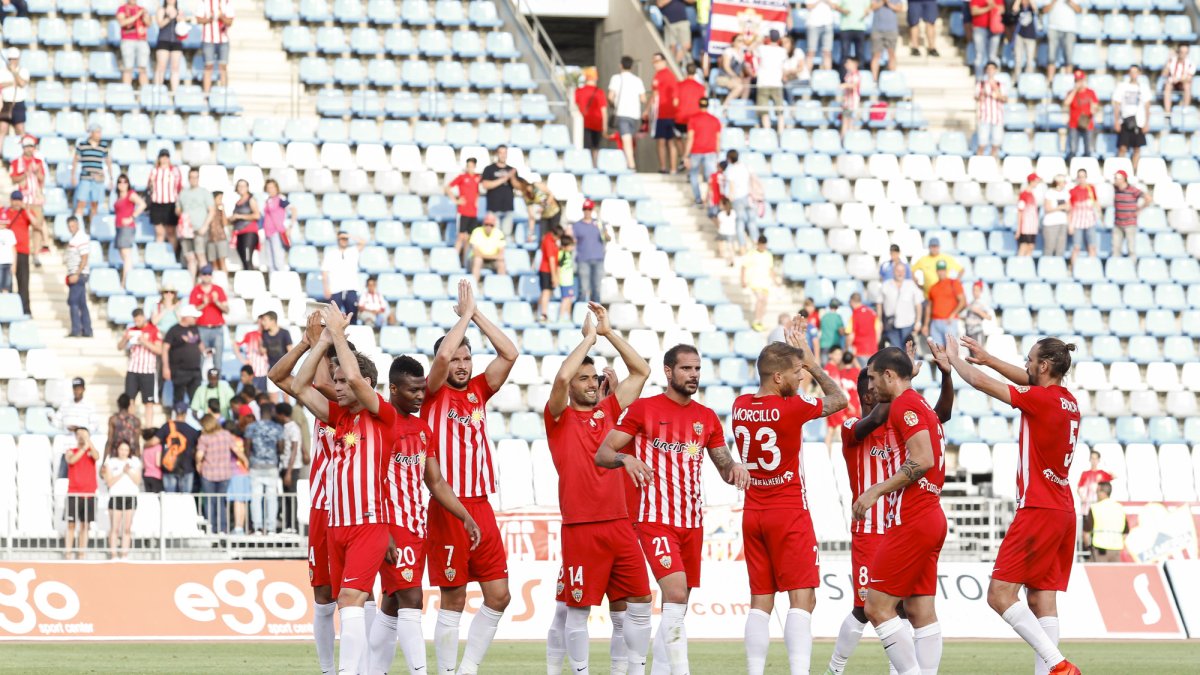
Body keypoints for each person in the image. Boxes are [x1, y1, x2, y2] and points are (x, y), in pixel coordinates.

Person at [595, 344, 749, 675]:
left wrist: (734, 468)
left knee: (677, 607)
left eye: (697, 369)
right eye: (686, 369)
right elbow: (603, 453)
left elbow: (723, 465)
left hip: (692, 522)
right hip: (654, 519)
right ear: (668, 371)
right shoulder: (643, 409)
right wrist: (626, 458)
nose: (693, 375)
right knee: (676, 593)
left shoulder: (706, 417)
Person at [944, 335, 1083, 675]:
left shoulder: (1040, 400)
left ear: (1044, 366)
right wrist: (989, 358)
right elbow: (1028, 380)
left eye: (1030, 360)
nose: (1026, 365)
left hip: (1038, 508)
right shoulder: (1068, 401)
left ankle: (1059, 665)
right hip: (1063, 509)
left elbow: (979, 382)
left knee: (1000, 595)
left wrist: (953, 360)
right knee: (1041, 599)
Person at [828, 341, 954, 675]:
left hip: (909, 516)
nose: (869, 386)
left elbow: (923, 459)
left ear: (887, 375)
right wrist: (911, 374)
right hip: (930, 515)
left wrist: (875, 491)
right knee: (919, 610)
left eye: (873, 378)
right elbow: (938, 418)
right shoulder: (917, 404)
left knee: (875, 608)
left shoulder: (904, 405)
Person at [542, 304, 653, 674]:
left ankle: (630, 670)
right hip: (581, 527)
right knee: (578, 610)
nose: (591, 383)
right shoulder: (558, 418)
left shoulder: (609, 410)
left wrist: (608, 334)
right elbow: (561, 378)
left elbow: (642, 371)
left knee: (639, 602)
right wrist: (588, 339)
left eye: (594, 378)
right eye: (584, 378)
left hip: (620, 523)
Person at [288, 307, 396, 675]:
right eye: (335, 382)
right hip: (336, 525)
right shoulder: (338, 417)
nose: (337, 387)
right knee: (343, 603)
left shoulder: (384, 415)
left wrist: (336, 334)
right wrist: (319, 343)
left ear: (365, 384)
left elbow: (353, 375)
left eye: (343, 382)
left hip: (368, 523)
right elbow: (299, 386)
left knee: (350, 598)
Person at [419, 279, 517, 675]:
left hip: (482, 505)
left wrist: (475, 315)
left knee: (499, 595)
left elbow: (510, 353)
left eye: (467, 358)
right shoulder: (432, 392)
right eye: (456, 359)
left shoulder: (479, 390)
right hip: (448, 506)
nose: (461, 365)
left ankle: (467, 668)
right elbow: (442, 356)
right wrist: (462, 319)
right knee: (454, 599)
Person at [738, 328, 848, 675]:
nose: (801, 379)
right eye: (796, 373)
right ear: (777, 377)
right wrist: (814, 364)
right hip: (787, 512)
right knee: (803, 599)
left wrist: (794, 357)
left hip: (753, 512)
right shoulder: (792, 407)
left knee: (760, 601)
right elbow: (840, 399)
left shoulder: (740, 406)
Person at [370, 356, 482, 675]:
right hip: (391, 524)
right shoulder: (381, 424)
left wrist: (464, 516)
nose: (420, 396)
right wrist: (381, 529)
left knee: (392, 603)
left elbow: (435, 482)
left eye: (422, 390)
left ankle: (369, 669)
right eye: (413, 390)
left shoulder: (422, 429)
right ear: (393, 389)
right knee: (412, 598)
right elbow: (370, 480)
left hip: (416, 526)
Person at [268, 317, 340, 673]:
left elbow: (321, 382)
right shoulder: (319, 401)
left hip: (357, 510)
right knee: (324, 597)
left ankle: (366, 667)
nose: (335, 383)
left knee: (359, 595)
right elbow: (277, 376)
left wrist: (321, 342)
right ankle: (328, 669)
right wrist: (304, 344)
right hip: (323, 508)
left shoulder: (357, 401)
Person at [245, 401, 283, 535]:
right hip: (271, 465)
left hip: (256, 465)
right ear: (272, 412)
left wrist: (249, 459)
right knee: (271, 497)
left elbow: (247, 446)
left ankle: (257, 527)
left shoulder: (251, 427)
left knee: (256, 497)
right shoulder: (278, 427)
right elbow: (281, 447)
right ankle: (271, 527)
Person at [120, 308, 162, 425]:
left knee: (148, 402)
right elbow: (120, 347)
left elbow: (159, 350)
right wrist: (125, 338)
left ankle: (148, 426)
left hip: (148, 370)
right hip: (133, 369)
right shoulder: (131, 330)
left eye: (139, 320)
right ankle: (131, 425)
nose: (137, 323)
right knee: (130, 400)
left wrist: (145, 342)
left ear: (143, 317)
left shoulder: (153, 330)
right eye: (135, 321)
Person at [195, 412, 236, 533]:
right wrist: (245, 460)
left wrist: (198, 463)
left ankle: (210, 528)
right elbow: (236, 450)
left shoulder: (204, 438)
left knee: (209, 502)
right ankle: (222, 528)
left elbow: (199, 455)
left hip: (208, 473)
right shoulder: (226, 434)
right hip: (224, 473)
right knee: (221, 502)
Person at [101, 439, 141, 559]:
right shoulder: (111, 462)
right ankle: (113, 554)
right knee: (115, 527)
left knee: (127, 528)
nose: (123, 452)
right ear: (117, 450)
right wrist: (122, 472)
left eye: (126, 450)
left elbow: (137, 481)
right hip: (116, 497)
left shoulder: (134, 462)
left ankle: (124, 553)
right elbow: (109, 482)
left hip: (130, 497)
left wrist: (128, 472)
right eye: (121, 449)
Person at [10, 136, 46, 268]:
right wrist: (26, 173)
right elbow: (14, 179)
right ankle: (19, 252)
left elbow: (42, 179)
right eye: (27, 146)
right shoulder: (16, 162)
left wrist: (36, 172)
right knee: (20, 227)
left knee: (37, 226)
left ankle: (35, 254)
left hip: (35, 200)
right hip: (22, 201)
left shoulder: (38, 162)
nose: (29, 149)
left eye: (31, 146)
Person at [64, 427, 99, 560]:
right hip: (74, 493)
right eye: (78, 434)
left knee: (85, 525)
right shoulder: (71, 451)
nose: (81, 437)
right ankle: (68, 553)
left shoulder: (92, 451)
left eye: (83, 434)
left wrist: (88, 443)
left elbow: (97, 456)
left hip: (89, 494)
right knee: (71, 524)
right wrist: (83, 448)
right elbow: (71, 460)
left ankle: (81, 553)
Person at [608, 55, 647, 171]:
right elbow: (643, 99)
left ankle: (631, 164)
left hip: (622, 113)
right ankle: (628, 162)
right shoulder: (637, 80)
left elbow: (610, 96)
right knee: (630, 140)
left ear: (621, 65)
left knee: (626, 139)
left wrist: (613, 105)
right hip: (635, 115)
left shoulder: (616, 78)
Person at [162, 305, 205, 406]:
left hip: (195, 370)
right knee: (179, 398)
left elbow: (199, 342)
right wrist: (166, 367)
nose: (196, 319)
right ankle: (178, 414)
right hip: (179, 370)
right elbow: (165, 349)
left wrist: (205, 352)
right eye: (193, 317)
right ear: (186, 317)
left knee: (195, 400)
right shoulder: (174, 330)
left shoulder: (194, 328)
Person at [683, 96, 721, 207]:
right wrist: (718, 154)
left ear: (699, 105)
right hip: (711, 152)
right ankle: (711, 201)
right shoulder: (715, 120)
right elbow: (718, 139)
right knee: (711, 178)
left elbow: (690, 138)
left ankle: (698, 200)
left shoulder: (693, 119)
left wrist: (686, 155)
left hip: (696, 151)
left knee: (694, 175)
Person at [1113, 65, 1152, 171]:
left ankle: (1134, 170)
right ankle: (1120, 171)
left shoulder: (1143, 87)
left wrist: (1147, 123)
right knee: (1122, 147)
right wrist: (1116, 121)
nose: (1133, 74)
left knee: (1137, 148)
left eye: (1135, 72)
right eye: (1131, 72)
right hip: (1125, 120)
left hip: (1139, 121)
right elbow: (1117, 105)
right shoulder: (1122, 86)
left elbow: (1147, 106)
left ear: (1139, 73)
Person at [71, 123, 112, 223]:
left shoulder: (103, 145)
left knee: (95, 205)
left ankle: (93, 227)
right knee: (81, 203)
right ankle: (79, 227)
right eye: (97, 132)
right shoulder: (82, 145)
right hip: (85, 178)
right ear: (91, 133)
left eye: (100, 132)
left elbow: (108, 162)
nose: (99, 134)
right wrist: (73, 176)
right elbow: (75, 160)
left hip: (98, 179)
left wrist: (111, 178)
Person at [321, 228, 365, 320]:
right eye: (342, 238)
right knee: (333, 317)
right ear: (338, 239)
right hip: (335, 289)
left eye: (346, 239)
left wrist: (349, 236)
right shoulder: (330, 254)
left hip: (351, 288)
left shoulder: (353, 251)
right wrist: (326, 288)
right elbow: (324, 272)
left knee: (352, 316)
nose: (344, 240)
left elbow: (363, 242)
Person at [112, 172, 146, 289]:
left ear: (128, 184)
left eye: (125, 182)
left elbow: (142, 204)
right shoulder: (119, 196)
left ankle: (125, 281)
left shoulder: (130, 194)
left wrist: (132, 217)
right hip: (119, 227)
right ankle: (127, 279)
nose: (122, 184)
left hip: (127, 227)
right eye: (120, 182)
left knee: (126, 255)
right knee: (123, 255)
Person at [878, 263, 924, 351]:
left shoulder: (911, 285)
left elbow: (918, 304)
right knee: (895, 351)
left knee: (910, 351)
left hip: (908, 324)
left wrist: (918, 321)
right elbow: (879, 303)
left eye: (902, 271)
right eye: (898, 271)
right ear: (893, 272)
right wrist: (879, 320)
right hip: (891, 324)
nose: (900, 273)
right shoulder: (886, 285)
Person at [189, 264, 227, 368]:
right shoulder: (195, 290)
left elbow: (227, 310)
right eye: (205, 274)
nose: (207, 276)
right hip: (201, 328)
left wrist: (217, 302)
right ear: (200, 275)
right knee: (200, 358)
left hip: (217, 329)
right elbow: (191, 311)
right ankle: (199, 378)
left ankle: (217, 378)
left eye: (209, 274)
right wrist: (203, 304)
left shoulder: (218, 290)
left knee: (218, 360)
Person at [923, 260, 966, 349]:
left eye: (943, 270)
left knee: (951, 350)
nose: (941, 272)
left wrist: (953, 314)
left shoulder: (954, 283)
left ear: (946, 271)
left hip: (949, 321)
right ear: (936, 271)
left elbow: (963, 301)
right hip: (935, 322)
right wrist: (926, 324)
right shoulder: (933, 287)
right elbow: (929, 307)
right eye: (939, 270)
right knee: (938, 350)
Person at [723, 149, 760, 251]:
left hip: (738, 198)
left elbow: (731, 186)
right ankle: (756, 243)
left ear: (729, 158)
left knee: (739, 223)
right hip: (749, 197)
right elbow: (754, 178)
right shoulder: (746, 166)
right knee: (752, 221)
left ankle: (742, 247)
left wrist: (729, 199)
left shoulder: (730, 169)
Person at [157, 402, 199, 493]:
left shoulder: (166, 427)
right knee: (185, 498)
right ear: (186, 414)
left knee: (170, 497)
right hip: (187, 468)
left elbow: (154, 441)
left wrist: (146, 445)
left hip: (169, 466)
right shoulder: (192, 430)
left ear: (175, 413)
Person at [447, 158, 482, 266]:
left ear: (475, 166)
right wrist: (455, 200)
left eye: (472, 166)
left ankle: (464, 263)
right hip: (463, 212)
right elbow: (447, 187)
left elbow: (478, 191)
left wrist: (477, 200)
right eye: (468, 166)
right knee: (461, 237)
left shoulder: (478, 178)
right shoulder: (462, 177)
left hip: (473, 212)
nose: (470, 168)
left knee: (469, 239)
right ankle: (453, 262)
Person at [650, 52, 681, 173]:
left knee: (666, 141)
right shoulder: (660, 75)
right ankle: (667, 168)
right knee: (666, 141)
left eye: (657, 61)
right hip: (663, 114)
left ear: (664, 61)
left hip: (664, 114)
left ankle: (669, 168)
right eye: (654, 61)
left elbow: (674, 96)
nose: (655, 64)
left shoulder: (666, 75)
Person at [479, 145, 519, 238]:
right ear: (497, 154)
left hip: (508, 208)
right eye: (501, 153)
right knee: (494, 236)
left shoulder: (512, 170)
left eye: (505, 153)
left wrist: (512, 177)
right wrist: (504, 178)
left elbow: (517, 186)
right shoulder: (489, 169)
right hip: (493, 208)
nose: (503, 155)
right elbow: (485, 185)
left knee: (506, 235)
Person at [572, 199, 606, 304]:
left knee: (596, 289)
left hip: (598, 259)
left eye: (589, 209)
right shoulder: (577, 226)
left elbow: (606, 238)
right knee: (583, 288)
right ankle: (580, 310)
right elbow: (572, 242)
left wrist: (605, 233)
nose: (587, 211)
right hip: (583, 259)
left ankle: (595, 311)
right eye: (585, 209)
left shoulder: (599, 224)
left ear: (592, 210)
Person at [741, 235, 778, 332]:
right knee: (760, 298)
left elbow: (770, 269)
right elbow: (744, 267)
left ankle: (760, 321)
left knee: (764, 301)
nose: (762, 247)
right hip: (754, 281)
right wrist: (743, 280)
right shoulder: (751, 254)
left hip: (765, 282)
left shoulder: (768, 255)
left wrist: (775, 281)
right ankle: (756, 320)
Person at [1085, 482, 1127, 564]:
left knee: (1098, 572)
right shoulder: (1120, 508)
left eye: (1097, 491)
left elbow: (1086, 533)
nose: (1096, 494)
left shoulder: (1095, 508)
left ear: (1102, 492)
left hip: (1099, 550)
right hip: (1116, 550)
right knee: (1115, 572)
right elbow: (1125, 533)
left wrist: (1088, 547)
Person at [197, 0, 234, 93]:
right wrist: (210, 18)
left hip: (223, 39)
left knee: (223, 67)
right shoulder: (204, 2)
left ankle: (224, 93)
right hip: (208, 39)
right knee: (208, 66)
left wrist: (221, 17)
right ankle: (206, 95)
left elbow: (230, 22)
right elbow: (198, 19)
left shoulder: (227, 2)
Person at [1112, 169, 1150, 258]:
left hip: (1130, 223)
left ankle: (1132, 265)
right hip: (1118, 223)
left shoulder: (1132, 190)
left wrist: (1139, 209)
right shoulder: (1116, 189)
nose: (1115, 180)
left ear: (1123, 179)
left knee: (1131, 248)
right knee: (1115, 249)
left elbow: (1148, 198)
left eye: (1117, 178)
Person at [147, 149, 182, 245]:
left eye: (166, 157)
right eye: (162, 157)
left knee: (171, 231)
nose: (164, 159)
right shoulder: (154, 171)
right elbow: (149, 187)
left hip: (170, 204)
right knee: (159, 232)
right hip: (156, 203)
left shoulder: (174, 171)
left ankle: (173, 252)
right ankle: (160, 252)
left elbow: (179, 187)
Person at [1040, 0, 1080, 82]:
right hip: (1053, 27)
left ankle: (1068, 81)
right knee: (1051, 56)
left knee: (1068, 56)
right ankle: (1050, 81)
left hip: (1069, 28)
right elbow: (1044, 10)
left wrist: (1070, 1)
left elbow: (1079, 10)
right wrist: (1054, 1)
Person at [755, 31, 788, 132]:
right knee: (780, 112)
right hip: (776, 83)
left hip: (763, 83)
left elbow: (752, 48)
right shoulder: (782, 51)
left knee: (764, 111)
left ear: (769, 38)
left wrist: (761, 38)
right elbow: (784, 68)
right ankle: (780, 133)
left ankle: (767, 132)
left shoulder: (762, 48)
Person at [65, 215, 92, 338]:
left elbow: (84, 258)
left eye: (73, 225)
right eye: (69, 226)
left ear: (77, 225)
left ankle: (76, 330)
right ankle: (87, 330)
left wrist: (76, 274)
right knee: (81, 303)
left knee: (73, 302)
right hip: (76, 273)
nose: (71, 228)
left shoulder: (80, 238)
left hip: (78, 274)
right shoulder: (76, 238)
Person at [574, 67, 607, 166]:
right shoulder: (600, 92)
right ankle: (594, 165)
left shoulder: (578, 91)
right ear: (596, 78)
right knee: (595, 147)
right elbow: (604, 111)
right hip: (598, 123)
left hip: (584, 123)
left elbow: (575, 107)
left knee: (585, 147)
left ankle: (585, 165)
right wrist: (605, 127)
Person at [260, 178, 294, 272]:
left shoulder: (280, 199)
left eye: (272, 187)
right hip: (267, 233)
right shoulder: (267, 200)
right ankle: (272, 280)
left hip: (277, 232)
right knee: (270, 261)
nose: (270, 190)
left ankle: (281, 279)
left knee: (278, 260)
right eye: (268, 188)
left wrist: (290, 226)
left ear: (276, 188)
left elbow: (293, 210)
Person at [1064, 70, 1098, 161]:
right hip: (1074, 125)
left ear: (1083, 80)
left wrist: (1093, 108)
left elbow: (1095, 106)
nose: (1078, 82)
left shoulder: (1090, 92)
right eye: (1077, 80)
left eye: (1080, 80)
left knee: (1088, 151)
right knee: (1073, 150)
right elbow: (1066, 103)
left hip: (1087, 125)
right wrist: (1075, 90)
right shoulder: (1071, 92)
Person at [1067, 168, 1098, 268]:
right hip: (1077, 223)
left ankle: (1092, 267)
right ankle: (1073, 268)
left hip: (1090, 222)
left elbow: (1096, 203)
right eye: (1079, 177)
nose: (1081, 179)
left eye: (1083, 177)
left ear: (1086, 177)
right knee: (1076, 247)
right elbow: (1070, 209)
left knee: (1092, 247)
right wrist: (1070, 225)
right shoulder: (1073, 191)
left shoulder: (1091, 189)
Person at [116, 0, 151, 86]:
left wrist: (145, 16)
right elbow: (122, 22)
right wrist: (137, 15)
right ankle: (126, 90)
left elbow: (149, 24)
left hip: (142, 40)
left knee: (143, 68)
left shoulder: (141, 9)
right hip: (128, 40)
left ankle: (145, 90)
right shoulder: (122, 9)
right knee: (128, 68)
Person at [976, 61, 1006, 158]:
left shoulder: (1000, 84)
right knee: (982, 143)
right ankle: (978, 163)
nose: (990, 71)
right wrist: (983, 93)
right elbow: (977, 98)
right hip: (984, 116)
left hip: (997, 117)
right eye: (988, 69)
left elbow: (1004, 99)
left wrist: (995, 90)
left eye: (992, 69)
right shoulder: (981, 84)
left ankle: (992, 163)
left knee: (995, 144)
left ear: (995, 70)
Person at [153, 0, 185, 91]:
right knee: (161, 67)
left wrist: (180, 19)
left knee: (175, 68)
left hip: (176, 41)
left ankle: (175, 92)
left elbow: (182, 26)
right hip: (164, 41)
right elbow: (160, 24)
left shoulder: (179, 11)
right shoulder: (161, 10)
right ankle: (158, 90)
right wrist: (169, 18)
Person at [229, 179, 260, 269]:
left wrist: (239, 216)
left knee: (247, 259)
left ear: (247, 188)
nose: (241, 188)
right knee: (243, 260)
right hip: (239, 233)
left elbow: (257, 215)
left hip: (249, 232)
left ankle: (251, 275)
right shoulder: (238, 202)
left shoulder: (251, 200)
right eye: (239, 186)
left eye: (243, 186)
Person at [869, 0, 904, 82]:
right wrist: (882, 2)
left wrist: (888, 3)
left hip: (891, 29)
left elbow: (900, 9)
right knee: (876, 55)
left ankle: (892, 78)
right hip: (877, 29)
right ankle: (874, 80)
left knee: (891, 54)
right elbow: (872, 7)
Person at [468, 212, 507, 283]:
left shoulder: (499, 233)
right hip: (479, 260)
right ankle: (474, 285)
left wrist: (487, 256)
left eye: (491, 225)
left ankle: (502, 286)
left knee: (501, 263)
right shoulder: (476, 232)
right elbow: (476, 253)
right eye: (486, 224)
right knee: (478, 260)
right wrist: (493, 256)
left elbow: (501, 254)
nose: (489, 227)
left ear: (494, 225)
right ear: (483, 224)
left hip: (492, 261)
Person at [0, 47, 30, 138]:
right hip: (5, 103)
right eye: (10, 59)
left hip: (18, 103)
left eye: (14, 59)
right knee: (2, 129)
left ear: (18, 59)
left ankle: (23, 146)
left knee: (20, 129)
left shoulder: (24, 71)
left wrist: (14, 72)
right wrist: (11, 83)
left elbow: (22, 83)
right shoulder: (2, 71)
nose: (12, 61)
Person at [970, 0, 1002, 80]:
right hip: (980, 28)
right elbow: (974, 11)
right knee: (980, 56)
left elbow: (1002, 10)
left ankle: (993, 81)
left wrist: (992, 4)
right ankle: (979, 81)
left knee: (993, 56)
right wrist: (988, 8)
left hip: (994, 29)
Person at [537, 222, 561, 323]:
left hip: (547, 270)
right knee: (546, 292)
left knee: (545, 293)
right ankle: (543, 315)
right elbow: (551, 260)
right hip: (546, 270)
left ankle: (539, 313)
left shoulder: (550, 239)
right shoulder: (549, 241)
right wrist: (554, 276)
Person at [106, 393, 142, 459]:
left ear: (118, 404)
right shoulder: (136, 421)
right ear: (129, 405)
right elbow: (136, 442)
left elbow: (109, 441)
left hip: (116, 455)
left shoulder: (113, 419)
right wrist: (138, 459)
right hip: (131, 455)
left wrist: (105, 460)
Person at [1042, 174, 1070, 257]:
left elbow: (1069, 207)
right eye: (1063, 182)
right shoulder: (1049, 193)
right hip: (1051, 224)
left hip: (1062, 223)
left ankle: (1058, 264)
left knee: (1060, 249)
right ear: (1058, 182)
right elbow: (1047, 209)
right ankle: (1047, 264)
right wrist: (1060, 207)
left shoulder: (1065, 193)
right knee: (1049, 248)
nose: (1065, 184)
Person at [657, 0, 691, 66]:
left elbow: (692, 1)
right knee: (672, 47)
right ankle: (672, 66)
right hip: (669, 23)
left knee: (686, 45)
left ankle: (675, 66)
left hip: (683, 21)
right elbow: (660, 3)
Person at [1163, 44, 1194, 114]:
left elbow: (1189, 78)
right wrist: (1168, 61)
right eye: (1181, 52)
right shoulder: (1172, 61)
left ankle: (1185, 109)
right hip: (1172, 84)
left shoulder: (1190, 63)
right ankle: (1167, 111)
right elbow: (1164, 74)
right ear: (1178, 52)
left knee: (1187, 85)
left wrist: (1178, 79)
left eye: (1185, 52)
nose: (1183, 54)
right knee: (1167, 85)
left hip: (1183, 84)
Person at [236, 324, 268, 393]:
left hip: (264, 373)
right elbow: (236, 344)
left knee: (261, 395)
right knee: (247, 394)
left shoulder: (269, 336)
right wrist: (242, 360)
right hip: (251, 373)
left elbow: (263, 351)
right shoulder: (251, 334)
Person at [849, 292, 879, 366]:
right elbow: (878, 330)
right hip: (873, 351)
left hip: (859, 351)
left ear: (852, 302)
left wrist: (847, 348)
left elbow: (851, 335)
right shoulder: (872, 313)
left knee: (861, 372)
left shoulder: (854, 315)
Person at [806, 0, 837, 71]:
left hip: (828, 24)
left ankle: (828, 74)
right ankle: (807, 75)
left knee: (827, 52)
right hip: (813, 24)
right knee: (811, 51)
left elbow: (834, 6)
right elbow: (809, 6)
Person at [1016, 173, 1041, 256]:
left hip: (1032, 226)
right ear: (1031, 181)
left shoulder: (1032, 194)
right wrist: (1018, 229)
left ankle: (1027, 263)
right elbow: (1020, 211)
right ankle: (1019, 263)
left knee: (1031, 246)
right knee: (1023, 246)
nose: (1037, 183)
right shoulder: (1023, 194)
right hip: (1025, 226)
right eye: (1036, 181)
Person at [1012, 0, 1039, 74]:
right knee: (1018, 59)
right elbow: (1014, 9)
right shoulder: (1020, 8)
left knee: (1029, 59)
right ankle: (1017, 76)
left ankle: (1028, 76)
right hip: (1019, 35)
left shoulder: (1031, 8)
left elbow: (1035, 9)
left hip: (1031, 36)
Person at [206, 189, 229, 271]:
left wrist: (222, 210)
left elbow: (225, 223)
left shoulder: (221, 210)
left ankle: (224, 278)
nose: (220, 200)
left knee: (222, 262)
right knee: (214, 263)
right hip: (210, 239)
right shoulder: (208, 210)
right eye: (219, 198)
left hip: (221, 238)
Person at [557, 233, 576, 324]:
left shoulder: (568, 253)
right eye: (570, 245)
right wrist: (557, 278)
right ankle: (561, 317)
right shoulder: (561, 254)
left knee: (569, 299)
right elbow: (558, 268)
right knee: (565, 299)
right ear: (564, 246)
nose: (572, 247)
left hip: (569, 281)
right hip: (564, 281)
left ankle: (567, 316)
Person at [141, 428, 164, 493]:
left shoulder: (145, 448)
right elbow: (158, 463)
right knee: (156, 496)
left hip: (146, 475)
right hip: (156, 475)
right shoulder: (158, 447)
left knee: (149, 496)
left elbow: (143, 465)